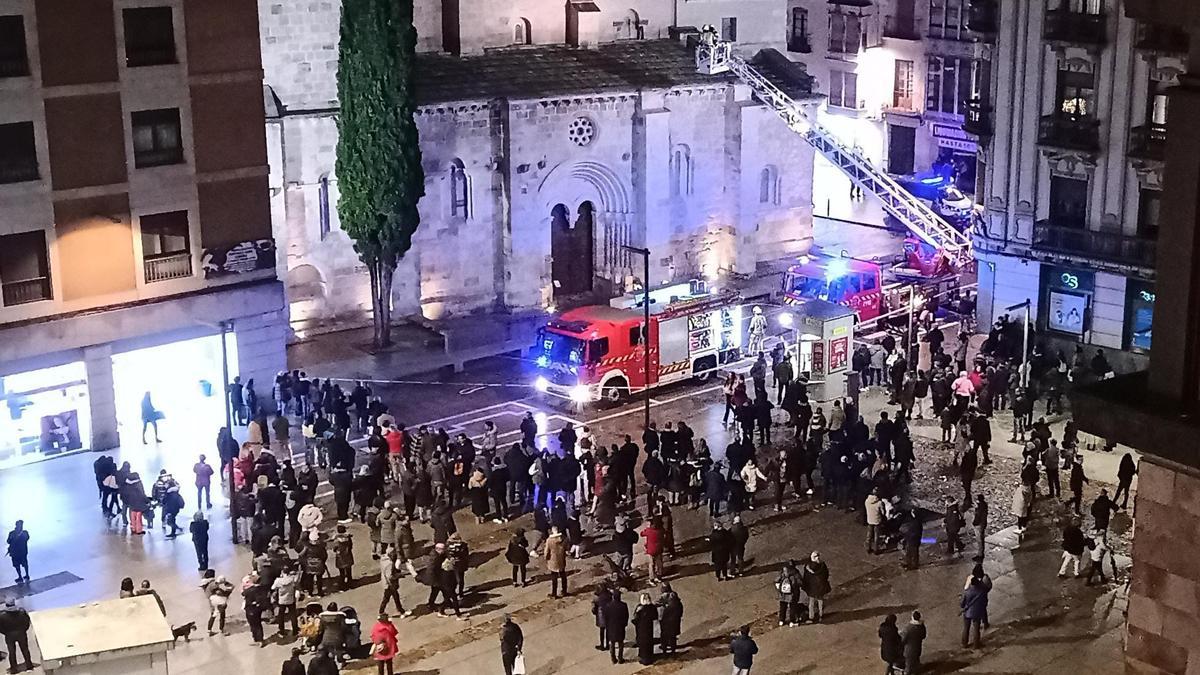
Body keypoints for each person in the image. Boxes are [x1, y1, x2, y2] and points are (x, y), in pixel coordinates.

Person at [0, 600, 33, 674]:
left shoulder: (2, 615)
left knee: (12, 652)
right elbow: (27, 622)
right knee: (25, 650)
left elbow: (0, 627)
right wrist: (24, 630)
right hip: (21, 633)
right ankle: (29, 666)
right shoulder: (22, 612)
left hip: (9, 635)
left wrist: (6, 633)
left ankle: (14, 669)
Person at [961, 576, 990, 648]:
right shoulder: (981, 592)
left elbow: (962, 604)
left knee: (966, 628)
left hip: (967, 613)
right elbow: (985, 602)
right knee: (976, 629)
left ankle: (964, 644)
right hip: (977, 613)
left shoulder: (967, 592)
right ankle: (976, 644)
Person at [802, 551, 830, 622]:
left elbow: (806, 577)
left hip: (812, 587)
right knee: (820, 601)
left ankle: (811, 616)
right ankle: (821, 615)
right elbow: (826, 574)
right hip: (820, 587)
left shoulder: (808, 567)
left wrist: (805, 585)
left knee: (811, 602)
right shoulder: (822, 565)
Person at [657, 582, 683, 654]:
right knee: (673, 635)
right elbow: (680, 608)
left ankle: (664, 648)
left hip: (666, 620)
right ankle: (673, 649)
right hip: (675, 619)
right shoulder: (674, 596)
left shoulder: (663, 596)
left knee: (664, 634)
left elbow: (658, 604)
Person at [605, 590, 630, 664]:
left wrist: (607, 626)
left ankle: (613, 658)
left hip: (611, 627)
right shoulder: (623, 605)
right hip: (620, 627)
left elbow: (606, 617)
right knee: (620, 643)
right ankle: (620, 658)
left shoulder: (608, 606)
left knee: (612, 644)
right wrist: (625, 624)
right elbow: (626, 616)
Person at [633, 592, 658, 665]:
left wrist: (637, 612)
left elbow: (636, 618)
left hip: (641, 628)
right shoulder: (652, 607)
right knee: (649, 642)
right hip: (649, 627)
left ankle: (644, 658)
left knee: (643, 643)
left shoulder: (640, 608)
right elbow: (655, 617)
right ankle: (650, 657)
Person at [543, 525, 568, 597]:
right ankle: (564, 591)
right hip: (561, 559)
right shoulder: (564, 538)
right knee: (563, 575)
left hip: (553, 560)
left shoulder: (549, 540)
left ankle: (554, 593)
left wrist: (546, 558)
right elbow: (567, 548)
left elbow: (546, 552)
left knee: (554, 577)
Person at [775, 560, 802, 626]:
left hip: (783, 595)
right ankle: (791, 621)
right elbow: (800, 582)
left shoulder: (783, 572)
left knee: (782, 608)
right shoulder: (795, 573)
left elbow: (776, 580)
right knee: (792, 608)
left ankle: (781, 620)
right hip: (792, 595)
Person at [902, 610, 926, 675]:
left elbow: (903, 640)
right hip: (918, 647)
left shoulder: (908, 628)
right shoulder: (922, 626)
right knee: (916, 662)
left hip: (909, 650)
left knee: (908, 666)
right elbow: (923, 636)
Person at [973, 494, 989, 561]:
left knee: (979, 540)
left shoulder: (980, 507)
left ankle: (980, 555)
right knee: (981, 540)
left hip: (979, 525)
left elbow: (978, 516)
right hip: (983, 523)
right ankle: (981, 553)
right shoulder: (984, 505)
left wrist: (974, 523)